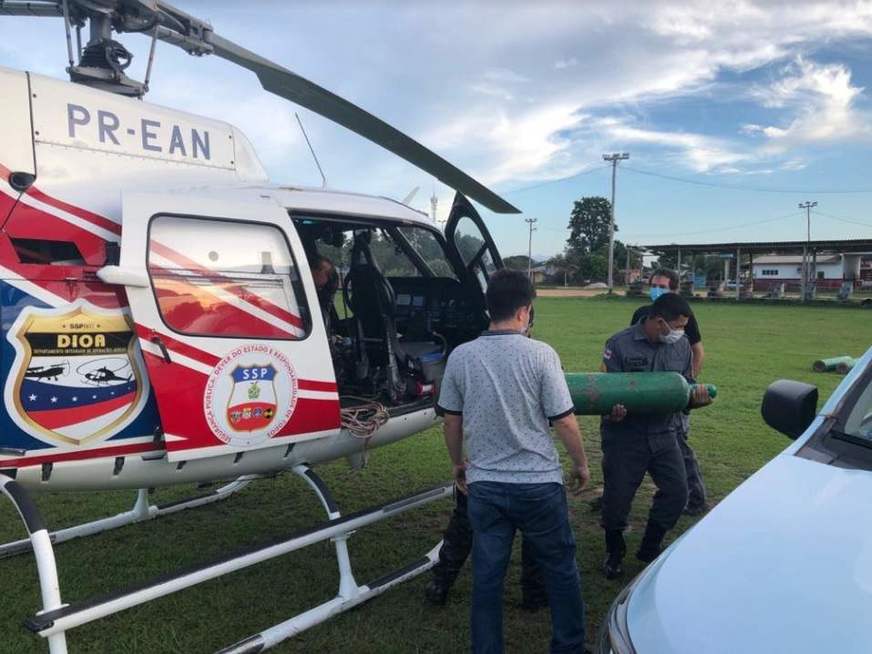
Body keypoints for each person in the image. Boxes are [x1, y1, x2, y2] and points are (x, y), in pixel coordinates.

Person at [437, 269, 590, 654]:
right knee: (560, 569)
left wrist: (458, 463)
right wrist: (581, 464)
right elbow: (564, 420)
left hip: (485, 487)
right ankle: (569, 647)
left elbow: (451, 420)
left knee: (487, 577)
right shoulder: (541, 354)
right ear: (525, 310)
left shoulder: (461, 356)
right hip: (539, 486)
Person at [600, 292, 711, 579]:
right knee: (617, 500)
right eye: (678, 326)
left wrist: (694, 400)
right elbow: (604, 391)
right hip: (626, 434)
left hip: (664, 431)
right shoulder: (619, 344)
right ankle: (614, 551)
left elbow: (684, 389)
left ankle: (650, 545)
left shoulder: (682, 346)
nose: (681, 332)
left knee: (677, 493)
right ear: (660, 322)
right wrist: (611, 412)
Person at [632, 268, 707, 515]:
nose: (657, 289)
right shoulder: (642, 314)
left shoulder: (682, 316)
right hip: (647, 394)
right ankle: (616, 496)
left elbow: (697, 350)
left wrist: (686, 386)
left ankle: (695, 498)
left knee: (678, 446)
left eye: (663, 286)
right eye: (654, 285)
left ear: (673, 289)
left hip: (672, 396)